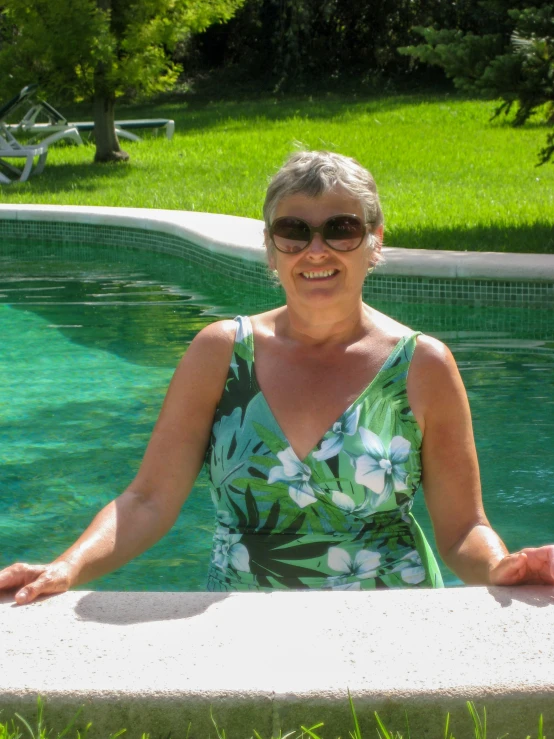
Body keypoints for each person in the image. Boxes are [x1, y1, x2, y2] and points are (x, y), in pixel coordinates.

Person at [1, 151, 553, 602]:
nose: (317, 250)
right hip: (240, 629)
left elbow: (461, 529)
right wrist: (67, 566)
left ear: (375, 239)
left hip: (392, 625)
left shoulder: (422, 364)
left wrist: (504, 565)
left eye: (341, 229)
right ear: (270, 245)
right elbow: (147, 501)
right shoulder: (221, 353)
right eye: (294, 231)